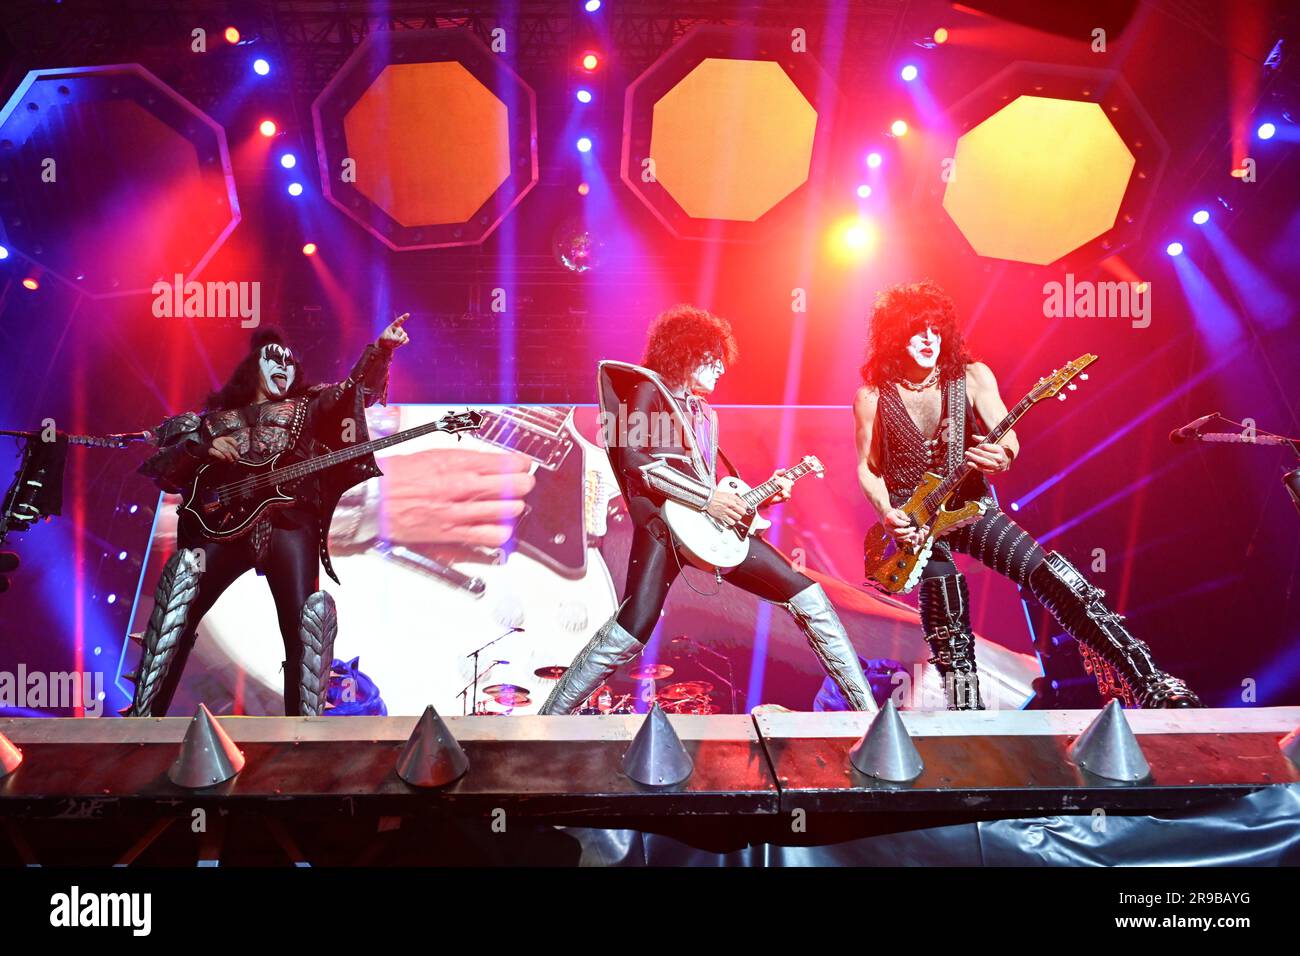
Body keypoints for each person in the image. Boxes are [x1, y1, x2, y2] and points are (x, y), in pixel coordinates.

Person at [853, 280, 1198, 709]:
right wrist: (887, 512)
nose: (928, 339)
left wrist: (1003, 455)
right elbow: (868, 467)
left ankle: (1149, 680)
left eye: (935, 330)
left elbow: (1007, 435)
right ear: (894, 335)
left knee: (1052, 577)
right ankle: (968, 715)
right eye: (916, 330)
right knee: (948, 624)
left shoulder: (972, 376)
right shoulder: (871, 396)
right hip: (915, 525)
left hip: (970, 505)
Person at [539, 304, 877, 715]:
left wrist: (758, 498)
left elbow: (709, 487)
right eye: (712, 359)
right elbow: (636, 461)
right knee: (633, 627)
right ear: (685, 353)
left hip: (703, 529)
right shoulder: (648, 390)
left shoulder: (703, 413)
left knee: (806, 594)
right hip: (663, 531)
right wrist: (707, 499)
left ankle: (867, 714)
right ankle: (549, 720)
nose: (720, 369)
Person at [122, 316, 410, 717]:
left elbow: (353, 393)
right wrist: (200, 449)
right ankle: (140, 723)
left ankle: (303, 739)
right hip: (220, 527)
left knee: (305, 627)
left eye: (291, 363)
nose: (284, 367)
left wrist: (381, 351)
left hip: (289, 522)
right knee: (177, 608)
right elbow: (162, 472)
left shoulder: (307, 406)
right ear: (252, 366)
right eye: (275, 359)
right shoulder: (212, 420)